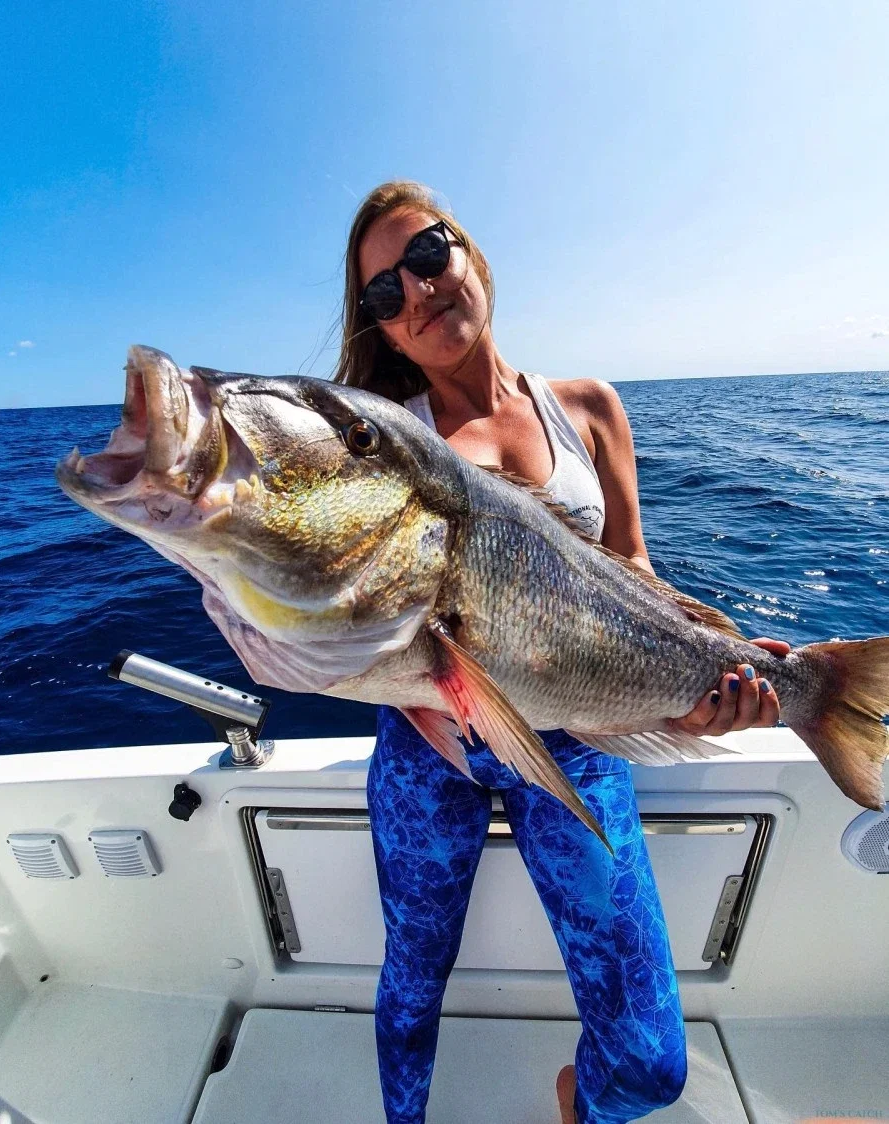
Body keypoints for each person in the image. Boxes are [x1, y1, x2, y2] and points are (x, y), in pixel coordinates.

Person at [335, 181, 788, 1124]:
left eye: (428, 255)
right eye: (384, 292)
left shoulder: (589, 407)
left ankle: (582, 1101)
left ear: (472, 256)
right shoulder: (385, 440)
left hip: (579, 741)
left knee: (653, 1060)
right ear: (383, 331)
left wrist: (704, 676)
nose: (417, 291)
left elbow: (635, 575)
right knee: (410, 986)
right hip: (431, 746)